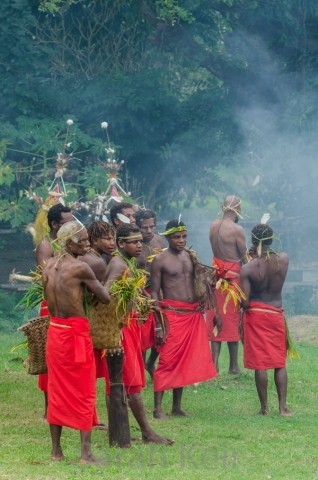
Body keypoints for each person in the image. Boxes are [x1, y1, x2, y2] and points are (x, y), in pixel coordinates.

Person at [42, 221, 111, 463]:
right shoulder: (81, 268)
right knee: (84, 391)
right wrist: (111, 283)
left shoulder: (48, 266)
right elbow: (104, 298)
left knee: (56, 389)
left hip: (55, 332)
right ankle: (85, 454)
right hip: (75, 333)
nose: (88, 244)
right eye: (82, 240)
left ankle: (56, 452)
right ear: (69, 242)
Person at [104, 223, 174, 444]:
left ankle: (119, 430)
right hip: (122, 329)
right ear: (121, 243)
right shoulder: (118, 264)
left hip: (129, 326)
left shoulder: (126, 262)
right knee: (129, 381)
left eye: (139, 241)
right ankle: (147, 432)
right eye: (133, 242)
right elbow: (105, 295)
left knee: (124, 382)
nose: (138, 245)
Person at [151, 220, 217, 419]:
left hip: (193, 314)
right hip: (172, 314)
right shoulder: (160, 260)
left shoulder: (191, 256)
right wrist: (159, 325)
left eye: (184, 237)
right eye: (176, 237)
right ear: (167, 238)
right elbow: (154, 292)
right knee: (168, 360)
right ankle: (157, 409)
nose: (181, 240)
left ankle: (176, 407)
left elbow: (202, 283)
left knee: (184, 361)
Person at [240, 223, 292, 416]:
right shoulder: (284, 260)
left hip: (256, 315)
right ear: (272, 240)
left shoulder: (247, 269)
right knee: (279, 362)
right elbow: (275, 257)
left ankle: (264, 408)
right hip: (275, 314)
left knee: (260, 363)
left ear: (252, 242)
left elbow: (244, 303)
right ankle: (283, 407)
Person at [35, 203, 74, 416]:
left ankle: (67, 405)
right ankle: (50, 408)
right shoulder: (46, 245)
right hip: (51, 306)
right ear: (54, 224)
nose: (72, 226)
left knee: (69, 358)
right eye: (67, 223)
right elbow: (46, 278)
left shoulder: (70, 243)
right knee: (52, 357)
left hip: (70, 305)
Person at [80, 220, 116, 429]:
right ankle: (89, 418)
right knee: (89, 374)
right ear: (94, 240)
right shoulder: (96, 262)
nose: (112, 242)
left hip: (85, 320)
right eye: (107, 238)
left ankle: (90, 417)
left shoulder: (89, 258)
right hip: (91, 323)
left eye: (113, 238)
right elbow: (102, 298)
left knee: (88, 374)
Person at [208, 195, 248, 374]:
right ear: (238, 209)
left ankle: (214, 365)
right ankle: (233, 366)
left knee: (217, 317)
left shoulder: (213, 225)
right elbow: (244, 256)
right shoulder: (237, 229)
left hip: (216, 276)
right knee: (232, 319)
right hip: (232, 278)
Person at [135, 209, 166, 376]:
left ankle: (150, 364)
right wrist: (144, 296)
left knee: (163, 334)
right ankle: (139, 372)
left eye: (151, 227)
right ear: (137, 226)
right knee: (143, 336)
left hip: (158, 292)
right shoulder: (134, 244)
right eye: (144, 227)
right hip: (140, 294)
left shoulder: (159, 241)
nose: (148, 231)